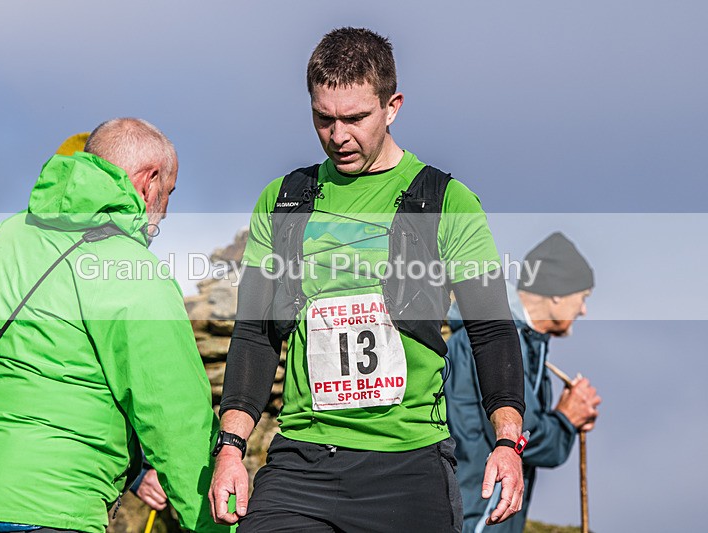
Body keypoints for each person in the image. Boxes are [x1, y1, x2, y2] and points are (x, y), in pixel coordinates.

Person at [209, 28, 528, 532]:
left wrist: (508, 443)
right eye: (324, 119)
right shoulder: (285, 200)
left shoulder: (447, 201)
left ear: (392, 106)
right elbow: (257, 333)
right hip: (302, 466)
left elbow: (490, 329)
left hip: (409, 470)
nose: (338, 136)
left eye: (355, 118)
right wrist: (230, 450)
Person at [0, 118, 227, 533]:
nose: (166, 211)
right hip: (49, 505)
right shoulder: (134, 270)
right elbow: (173, 415)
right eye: (169, 193)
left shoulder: (1, 238)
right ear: (149, 181)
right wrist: (212, 525)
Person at [445, 231, 601, 533]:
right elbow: (522, 437)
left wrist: (566, 420)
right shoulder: (497, 341)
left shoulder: (527, 343)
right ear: (557, 291)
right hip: (474, 516)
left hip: (485, 513)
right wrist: (567, 419)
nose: (583, 310)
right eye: (582, 297)